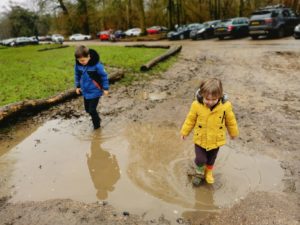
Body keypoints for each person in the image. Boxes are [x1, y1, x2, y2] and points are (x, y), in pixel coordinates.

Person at [180, 78, 239, 184]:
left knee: (211, 158)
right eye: (207, 99)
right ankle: (199, 172)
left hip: (216, 140)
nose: (210, 102)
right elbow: (190, 119)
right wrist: (185, 132)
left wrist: (233, 133)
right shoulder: (196, 105)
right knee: (200, 159)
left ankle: (209, 172)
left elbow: (231, 121)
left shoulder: (225, 107)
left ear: (220, 96)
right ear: (202, 94)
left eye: (214, 99)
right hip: (200, 139)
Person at [74, 45, 109, 129]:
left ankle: (97, 127)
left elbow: (104, 76)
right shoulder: (78, 65)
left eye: (83, 60)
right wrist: (77, 86)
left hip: (95, 91)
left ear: (89, 56)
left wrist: (105, 88)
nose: (81, 62)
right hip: (85, 91)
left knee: (92, 110)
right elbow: (77, 75)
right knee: (87, 110)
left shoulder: (97, 65)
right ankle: (97, 118)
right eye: (79, 60)